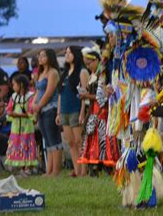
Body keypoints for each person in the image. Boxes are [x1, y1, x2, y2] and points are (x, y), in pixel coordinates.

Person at [78, 47, 119, 175]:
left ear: (96, 61)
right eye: (86, 64)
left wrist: (86, 96)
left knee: (104, 136)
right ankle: (95, 163)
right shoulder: (93, 75)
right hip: (94, 110)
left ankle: (107, 164)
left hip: (102, 110)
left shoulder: (103, 74)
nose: (88, 66)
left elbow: (101, 97)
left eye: (90, 63)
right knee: (94, 136)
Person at [57, 46, 88, 177]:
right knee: (70, 142)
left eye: (70, 52)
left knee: (79, 141)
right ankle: (77, 169)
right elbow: (60, 94)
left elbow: (84, 94)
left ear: (76, 54)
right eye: (66, 52)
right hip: (64, 111)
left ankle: (84, 170)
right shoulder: (64, 72)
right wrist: (58, 113)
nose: (67, 54)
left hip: (75, 110)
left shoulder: (82, 72)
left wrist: (82, 112)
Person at [32, 49, 62, 177]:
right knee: (47, 140)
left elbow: (49, 92)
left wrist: (38, 105)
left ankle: (55, 170)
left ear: (49, 57)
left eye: (43, 55)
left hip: (50, 108)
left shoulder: (53, 72)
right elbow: (38, 91)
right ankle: (49, 170)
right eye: (39, 55)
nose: (40, 58)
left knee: (54, 139)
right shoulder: (41, 72)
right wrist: (33, 104)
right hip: (41, 110)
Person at [5, 75, 38, 176]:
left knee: (26, 145)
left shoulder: (31, 96)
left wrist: (17, 114)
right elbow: (9, 109)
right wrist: (10, 113)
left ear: (21, 85)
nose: (12, 86)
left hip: (27, 127)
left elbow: (31, 112)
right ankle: (20, 167)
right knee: (17, 145)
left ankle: (28, 167)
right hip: (15, 128)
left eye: (14, 84)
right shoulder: (13, 97)